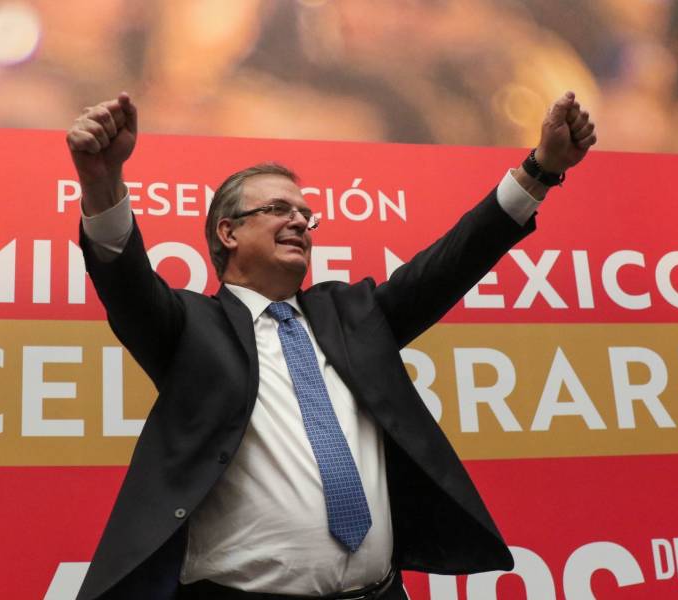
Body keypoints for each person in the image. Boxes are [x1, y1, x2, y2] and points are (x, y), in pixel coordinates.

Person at [67, 91, 596, 600]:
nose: (300, 220)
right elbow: (125, 277)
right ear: (227, 233)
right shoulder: (189, 327)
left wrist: (541, 171)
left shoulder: (352, 316)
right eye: (278, 208)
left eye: (306, 215)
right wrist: (102, 180)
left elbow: (453, 260)